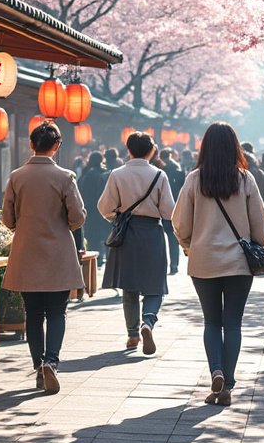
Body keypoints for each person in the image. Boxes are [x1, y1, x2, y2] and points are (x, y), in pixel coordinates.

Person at [172, 123, 264, 406]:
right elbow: (260, 228)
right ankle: (227, 383)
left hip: (203, 261)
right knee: (233, 323)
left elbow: (179, 223)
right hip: (239, 263)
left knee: (211, 321)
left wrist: (190, 245)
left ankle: (215, 369)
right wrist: (261, 243)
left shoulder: (194, 179)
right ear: (234, 147)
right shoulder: (245, 179)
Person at [2, 122, 87, 394]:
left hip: (27, 252)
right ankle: (52, 360)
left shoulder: (17, 176)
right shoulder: (65, 177)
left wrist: (22, 226)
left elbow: (7, 218)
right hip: (58, 253)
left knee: (34, 313)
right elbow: (77, 217)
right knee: (57, 311)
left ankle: (39, 365)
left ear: (31, 144)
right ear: (57, 145)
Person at [98, 132, 175, 354]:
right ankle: (148, 322)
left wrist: (118, 216)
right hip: (152, 233)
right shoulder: (159, 175)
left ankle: (132, 335)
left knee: (129, 287)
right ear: (152, 151)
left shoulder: (117, 174)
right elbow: (169, 211)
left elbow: (104, 207)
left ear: (128, 150)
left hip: (127, 233)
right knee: (154, 285)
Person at [76, 151, 111, 253]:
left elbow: (82, 193)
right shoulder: (106, 174)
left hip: (90, 211)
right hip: (105, 210)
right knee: (105, 238)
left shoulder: (87, 174)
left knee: (93, 241)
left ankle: (94, 264)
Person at [161, 150, 186, 274]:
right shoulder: (179, 172)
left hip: (163, 209)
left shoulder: (161, 172)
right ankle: (174, 265)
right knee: (173, 238)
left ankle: (165, 264)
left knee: (163, 239)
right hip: (177, 208)